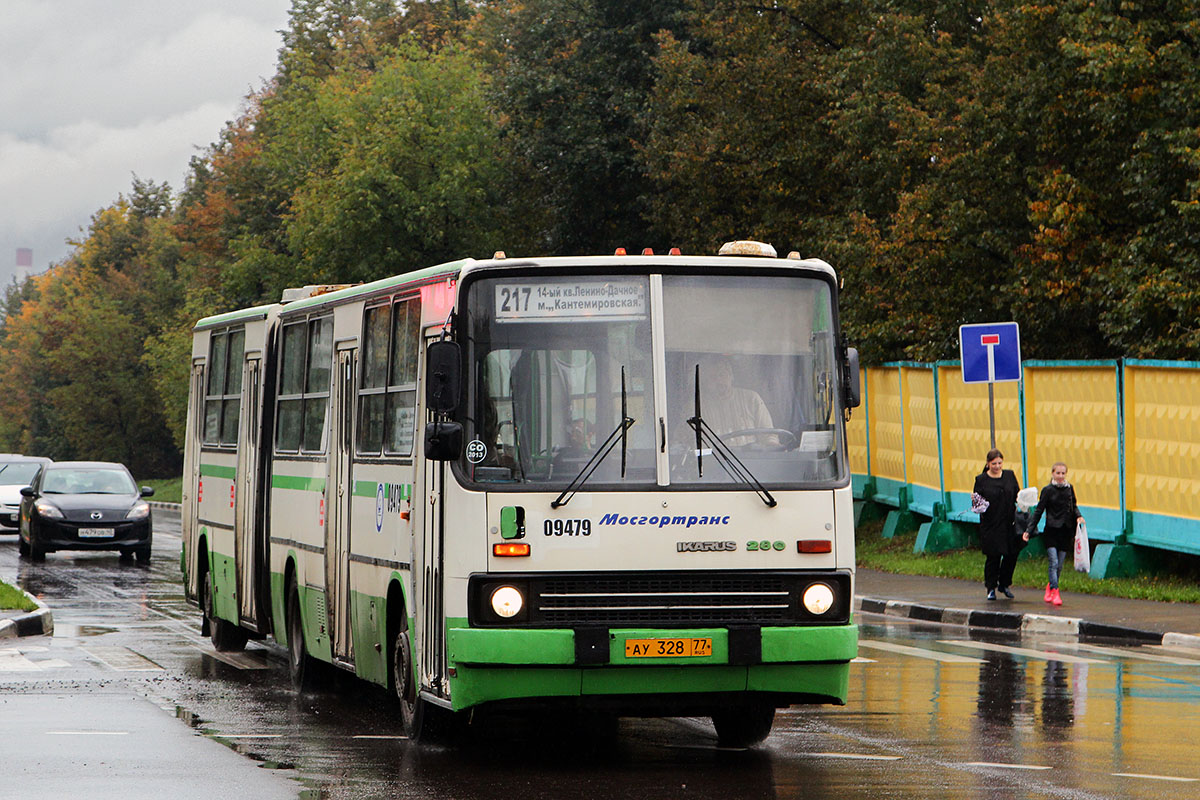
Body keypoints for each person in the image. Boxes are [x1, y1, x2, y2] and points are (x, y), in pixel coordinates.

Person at [1022, 462, 1084, 607]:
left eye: (1063, 473)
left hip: (1066, 531)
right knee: (1053, 562)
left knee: (1060, 565)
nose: (1061, 476)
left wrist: (1079, 516)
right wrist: (1028, 531)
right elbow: (1038, 511)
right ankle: (1055, 591)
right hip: (1051, 530)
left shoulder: (1069, 489)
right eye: (1058, 473)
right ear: (1052, 474)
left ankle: (1050, 586)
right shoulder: (1048, 490)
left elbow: (1073, 506)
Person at [972, 449, 1019, 600]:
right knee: (993, 556)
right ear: (988, 464)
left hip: (1009, 523)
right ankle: (990, 587)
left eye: (999, 463)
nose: (997, 466)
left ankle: (1004, 584)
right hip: (991, 524)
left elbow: (1018, 494)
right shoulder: (981, 480)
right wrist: (978, 502)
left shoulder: (1009, 476)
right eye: (994, 464)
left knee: (1012, 554)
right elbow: (977, 504)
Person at [702, 355, 777, 447]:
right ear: (705, 381)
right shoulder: (697, 406)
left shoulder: (752, 399)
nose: (718, 380)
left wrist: (773, 446)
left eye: (722, 375)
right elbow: (685, 441)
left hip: (750, 460)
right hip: (713, 460)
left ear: (731, 376)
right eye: (712, 377)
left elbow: (768, 435)